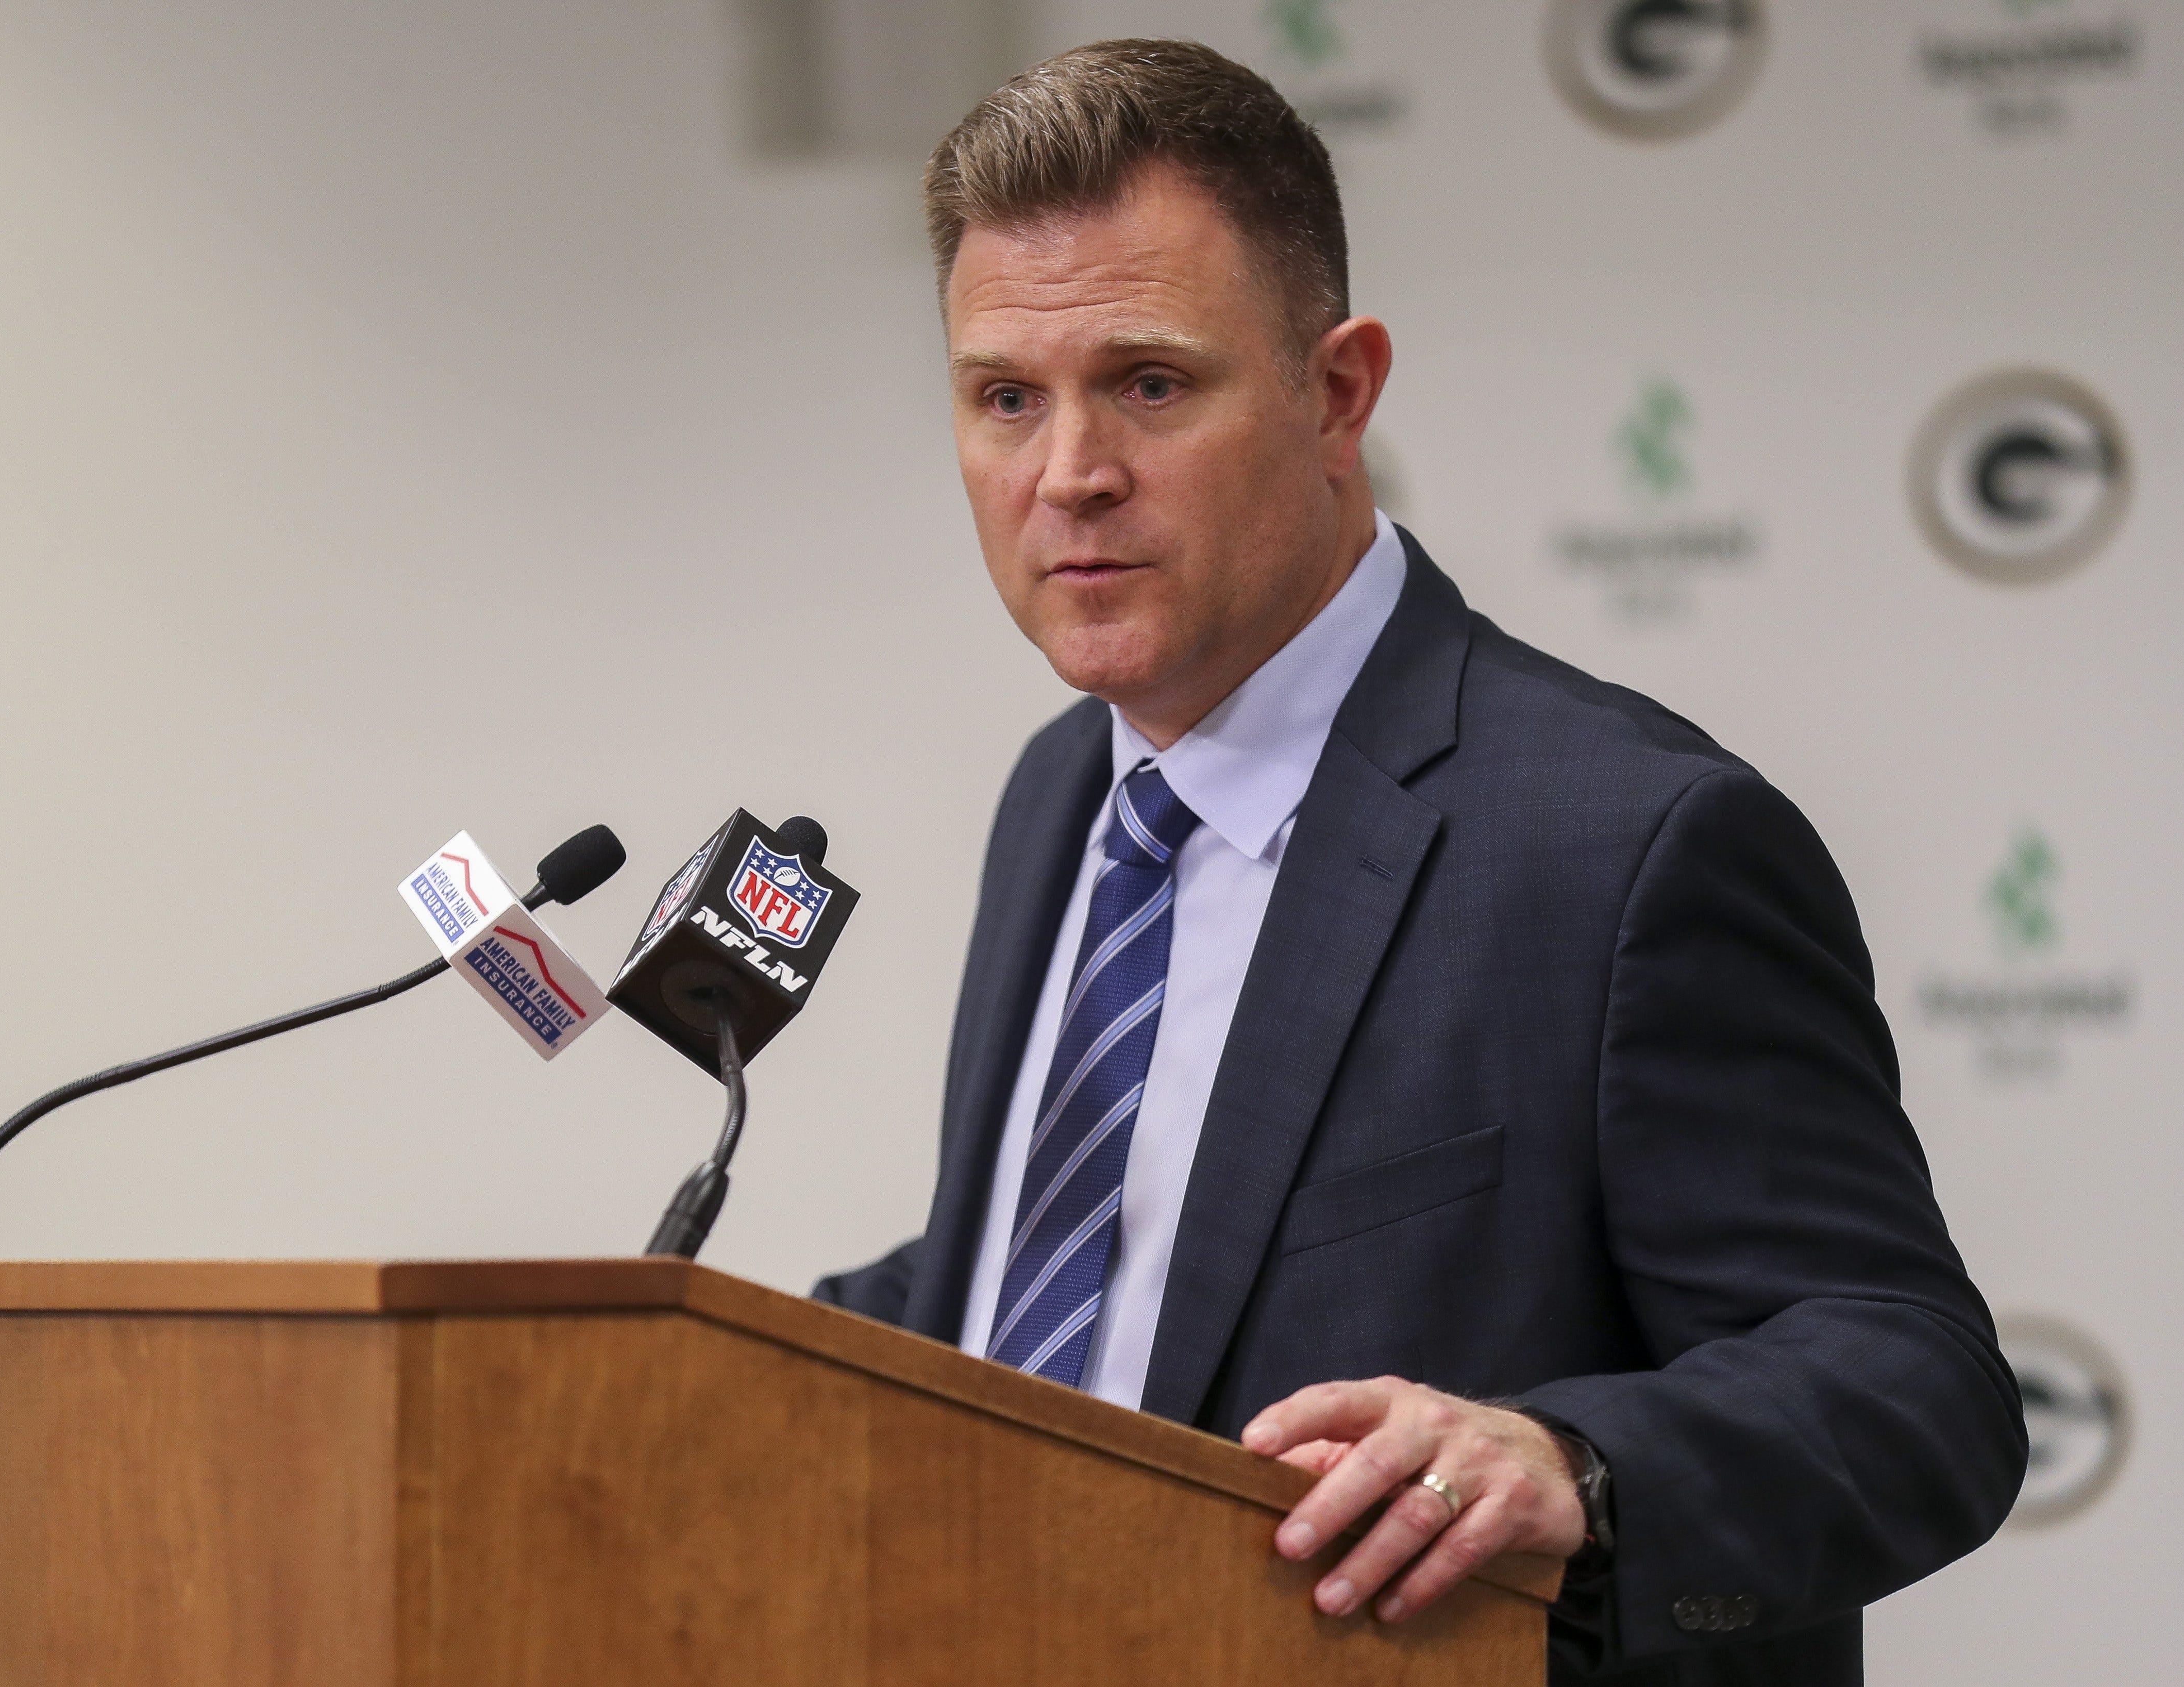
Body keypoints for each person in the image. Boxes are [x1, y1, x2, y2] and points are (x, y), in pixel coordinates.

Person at [813, 39, 2022, 1684]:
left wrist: (1573, 1466)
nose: (1067, 472)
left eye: (1149, 384)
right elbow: (1097, 1275)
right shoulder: (1061, 799)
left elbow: (1912, 1389)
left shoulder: (1628, 840)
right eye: (1004, 397)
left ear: (1337, 390)